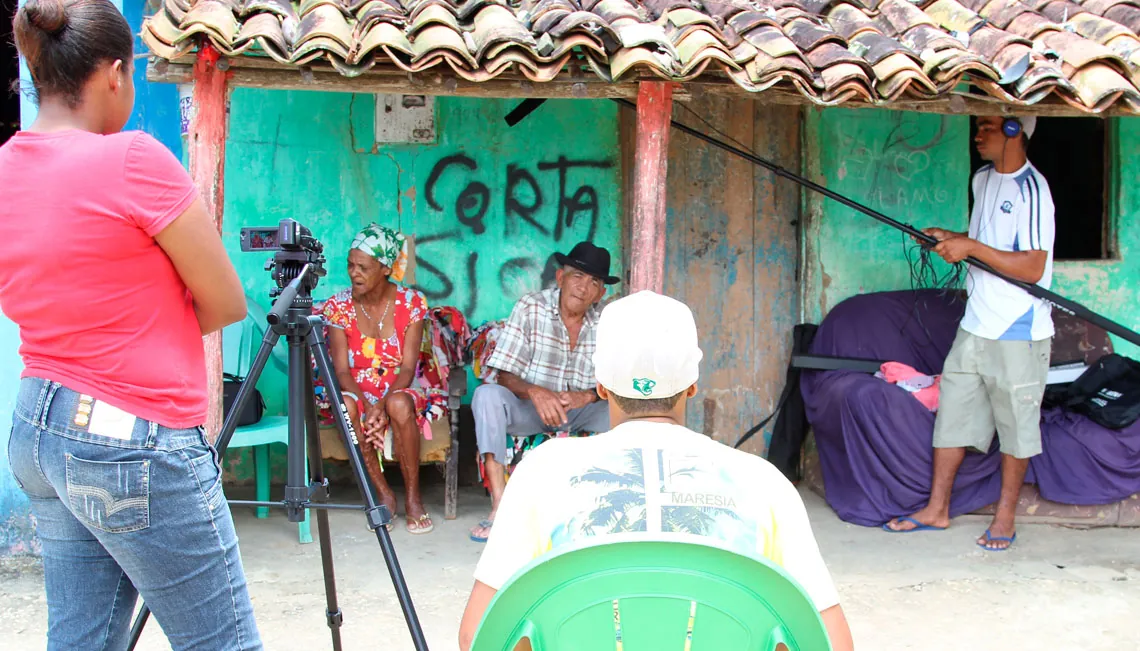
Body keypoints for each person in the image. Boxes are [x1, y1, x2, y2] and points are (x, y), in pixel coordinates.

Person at [0, 0, 261, 648]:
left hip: (38, 425)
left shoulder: (6, 167)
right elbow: (226, 300)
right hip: (132, 436)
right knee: (223, 641)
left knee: (81, 639)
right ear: (115, 75)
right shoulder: (132, 160)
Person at [458, 291, 854, 650]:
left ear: (599, 384)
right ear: (693, 384)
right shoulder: (764, 483)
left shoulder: (540, 472)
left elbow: (480, 637)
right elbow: (831, 643)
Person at [885, 115, 1055, 551]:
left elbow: (1033, 266)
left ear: (1016, 130)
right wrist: (954, 239)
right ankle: (936, 509)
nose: (978, 135)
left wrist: (973, 248)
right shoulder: (982, 180)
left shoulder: (1033, 190)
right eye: (978, 126)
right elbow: (987, 242)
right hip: (975, 324)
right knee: (953, 418)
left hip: (1018, 329)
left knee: (1016, 428)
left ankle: (1005, 518)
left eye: (990, 126)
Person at [468, 241, 618, 543]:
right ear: (561, 278)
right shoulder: (531, 306)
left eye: (594, 282)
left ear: (601, 293)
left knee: (623, 411)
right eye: (577, 276)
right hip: (531, 410)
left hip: (581, 412)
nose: (583, 287)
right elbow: (505, 375)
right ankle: (499, 505)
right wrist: (536, 392)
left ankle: (613, 508)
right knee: (486, 397)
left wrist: (588, 396)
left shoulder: (607, 321)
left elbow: (619, 382)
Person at [322, 223, 446, 534]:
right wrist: (367, 404)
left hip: (398, 386)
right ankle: (383, 495)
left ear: (385, 268)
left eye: (363, 267)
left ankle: (414, 500)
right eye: (350, 265)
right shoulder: (338, 307)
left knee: (399, 404)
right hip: (355, 388)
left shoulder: (411, 303)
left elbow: (407, 369)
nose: (354, 273)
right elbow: (340, 371)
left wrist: (381, 405)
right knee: (347, 408)